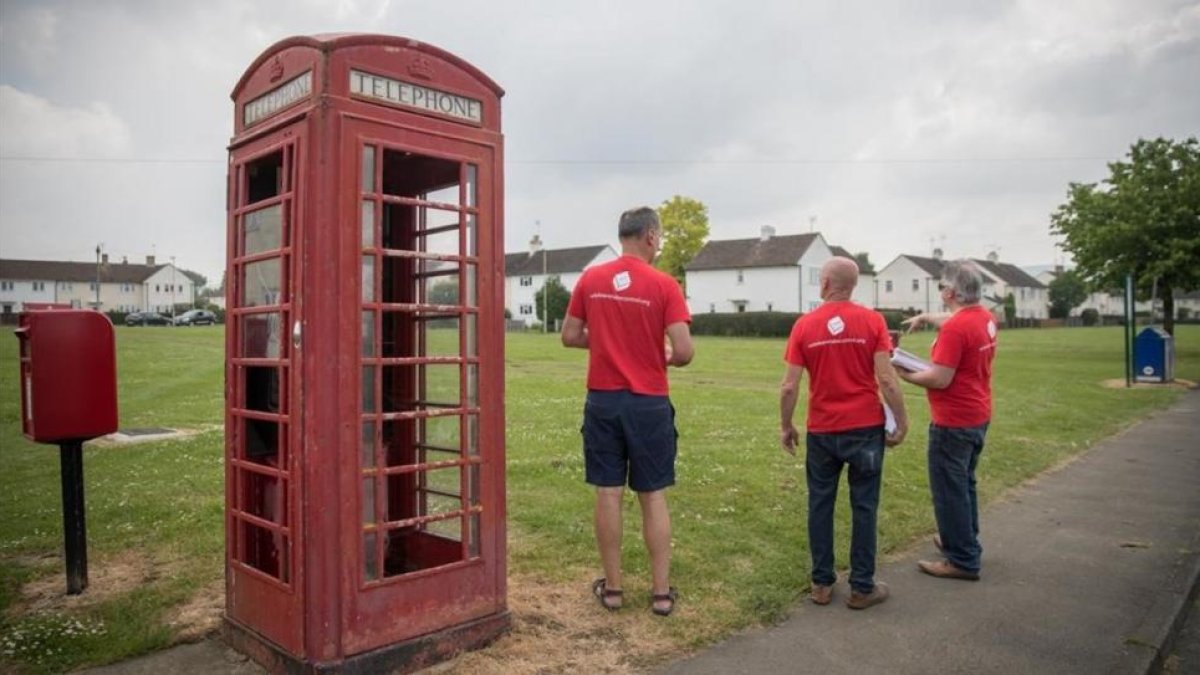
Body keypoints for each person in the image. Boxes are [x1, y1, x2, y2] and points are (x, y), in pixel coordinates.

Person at [561, 206, 694, 617]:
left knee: (608, 492)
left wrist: (603, 342)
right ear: (651, 236)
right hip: (649, 400)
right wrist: (662, 354)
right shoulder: (664, 284)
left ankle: (614, 589)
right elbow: (685, 351)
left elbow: (569, 336)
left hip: (603, 399)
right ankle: (660, 593)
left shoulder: (592, 278)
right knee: (652, 494)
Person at [779, 257, 908, 610]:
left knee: (820, 504)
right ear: (853, 285)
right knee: (864, 505)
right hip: (865, 428)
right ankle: (862, 587)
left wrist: (786, 425)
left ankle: (822, 584)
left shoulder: (804, 326)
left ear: (823, 284)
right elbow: (885, 378)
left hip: (822, 430)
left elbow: (789, 386)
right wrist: (901, 419)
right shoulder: (872, 321)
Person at [898, 259, 997, 581]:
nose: (939, 290)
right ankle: (962, 539)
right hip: (977, 414)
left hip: (953, 421)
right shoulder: (982, 317)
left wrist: (902, 373)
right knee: (964, 483)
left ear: (951, 292)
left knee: (949, 489)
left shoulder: (956, 328)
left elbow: (940, 379)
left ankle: (962, 560)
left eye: (941, 286)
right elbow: (957, 321)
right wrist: (927, 317)